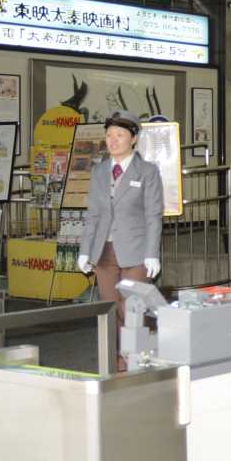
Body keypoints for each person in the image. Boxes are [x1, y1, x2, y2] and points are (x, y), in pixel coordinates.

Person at [75, 111, 163, 368]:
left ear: (133, 139)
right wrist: (84, 250)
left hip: (136, 251)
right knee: (110, 308)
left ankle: (137, 357)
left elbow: (153, 215)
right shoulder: (99, 171)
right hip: (104, 251)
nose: (112, 140)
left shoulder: (147, 171)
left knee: (131, 309)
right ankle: (116, 361)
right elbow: (93, 214)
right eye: (109, 135)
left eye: (120, 135)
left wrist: (152, 252)